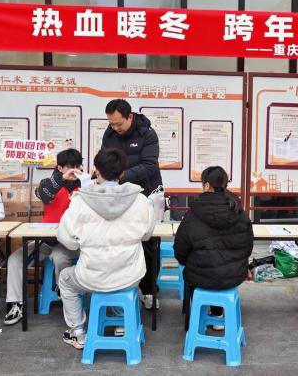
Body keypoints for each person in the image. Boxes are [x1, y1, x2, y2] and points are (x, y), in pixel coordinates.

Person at [56, 148, 156, 349]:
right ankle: (122, 324)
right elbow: (146, 235)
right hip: (130, 276)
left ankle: (78, 332)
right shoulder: (141, 200)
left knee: (65, 279)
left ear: (96, 170)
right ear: (122, 173)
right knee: (123, 279)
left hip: (92, 277)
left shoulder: (80, 201)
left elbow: (68, 241)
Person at [3, 148, 83, 326]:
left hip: (71, 242)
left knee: (59, 257)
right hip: (46, 240)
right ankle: (15, 304)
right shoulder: (49, 183)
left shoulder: (85, 185)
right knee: (15, 259)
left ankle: (65, 292)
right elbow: (44, 195)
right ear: (60, 168)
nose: (75, 171)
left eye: (78, 166)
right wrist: (61, 179)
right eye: (70, 167)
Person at [174, 166, 254, 330]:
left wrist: (187, 262)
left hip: (201, 275)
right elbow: (248, 246)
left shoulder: (193, 213)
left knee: (196, 273)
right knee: (214, 270)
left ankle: (200, 313)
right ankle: (218, 313)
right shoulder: (238, 209)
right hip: (233, 275)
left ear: (207, 185)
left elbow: (180, 250)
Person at [102, 99, 163, 310]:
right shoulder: (110, 134)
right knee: (121, 241)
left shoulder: (147, 134)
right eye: (111, 124)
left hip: (147, 194)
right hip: (121, 196)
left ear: (130, 117)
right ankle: (124, 287)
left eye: (118, 123)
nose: (115, 128)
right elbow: (105, 159)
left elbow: (149, 165)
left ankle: (149, 290)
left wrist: (121, 176)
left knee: (149, 244)